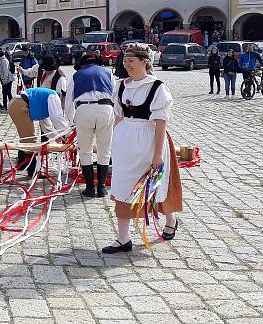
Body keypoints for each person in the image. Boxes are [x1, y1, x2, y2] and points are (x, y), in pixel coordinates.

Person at [103, 45, 182, 254]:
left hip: (148, 139)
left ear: (145, 61)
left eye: (131, 60)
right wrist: (116, 140)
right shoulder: (121, 86)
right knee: (122, 186)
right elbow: (118, 116)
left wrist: (157, 154)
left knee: (153, 187)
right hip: (125, 143)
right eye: (125, 60)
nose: (126, 64)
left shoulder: (157, 87)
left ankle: (170, 219)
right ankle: (123, 238)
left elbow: (161, 123)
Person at [64, 53, 114, 197]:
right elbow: (115, 95)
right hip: (106, 109)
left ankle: (90, 187)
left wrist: (71, 119)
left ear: (82, 65)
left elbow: (69, 100)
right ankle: (102, 187)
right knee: (104, 149)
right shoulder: (108, 73)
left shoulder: (76, 75)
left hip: (84, 109)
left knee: (85, 150)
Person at [7, 87, 69, 176]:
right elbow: (57, 118)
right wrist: (67, 134)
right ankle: (32, 171)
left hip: (18, 104)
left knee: (26, 136)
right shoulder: (54, 97)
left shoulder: (48, 100)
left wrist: (56, 136)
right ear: (64, 98)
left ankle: (22, 164)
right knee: (29, 139)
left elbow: (45, 125)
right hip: (19, 105)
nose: (63, 107)